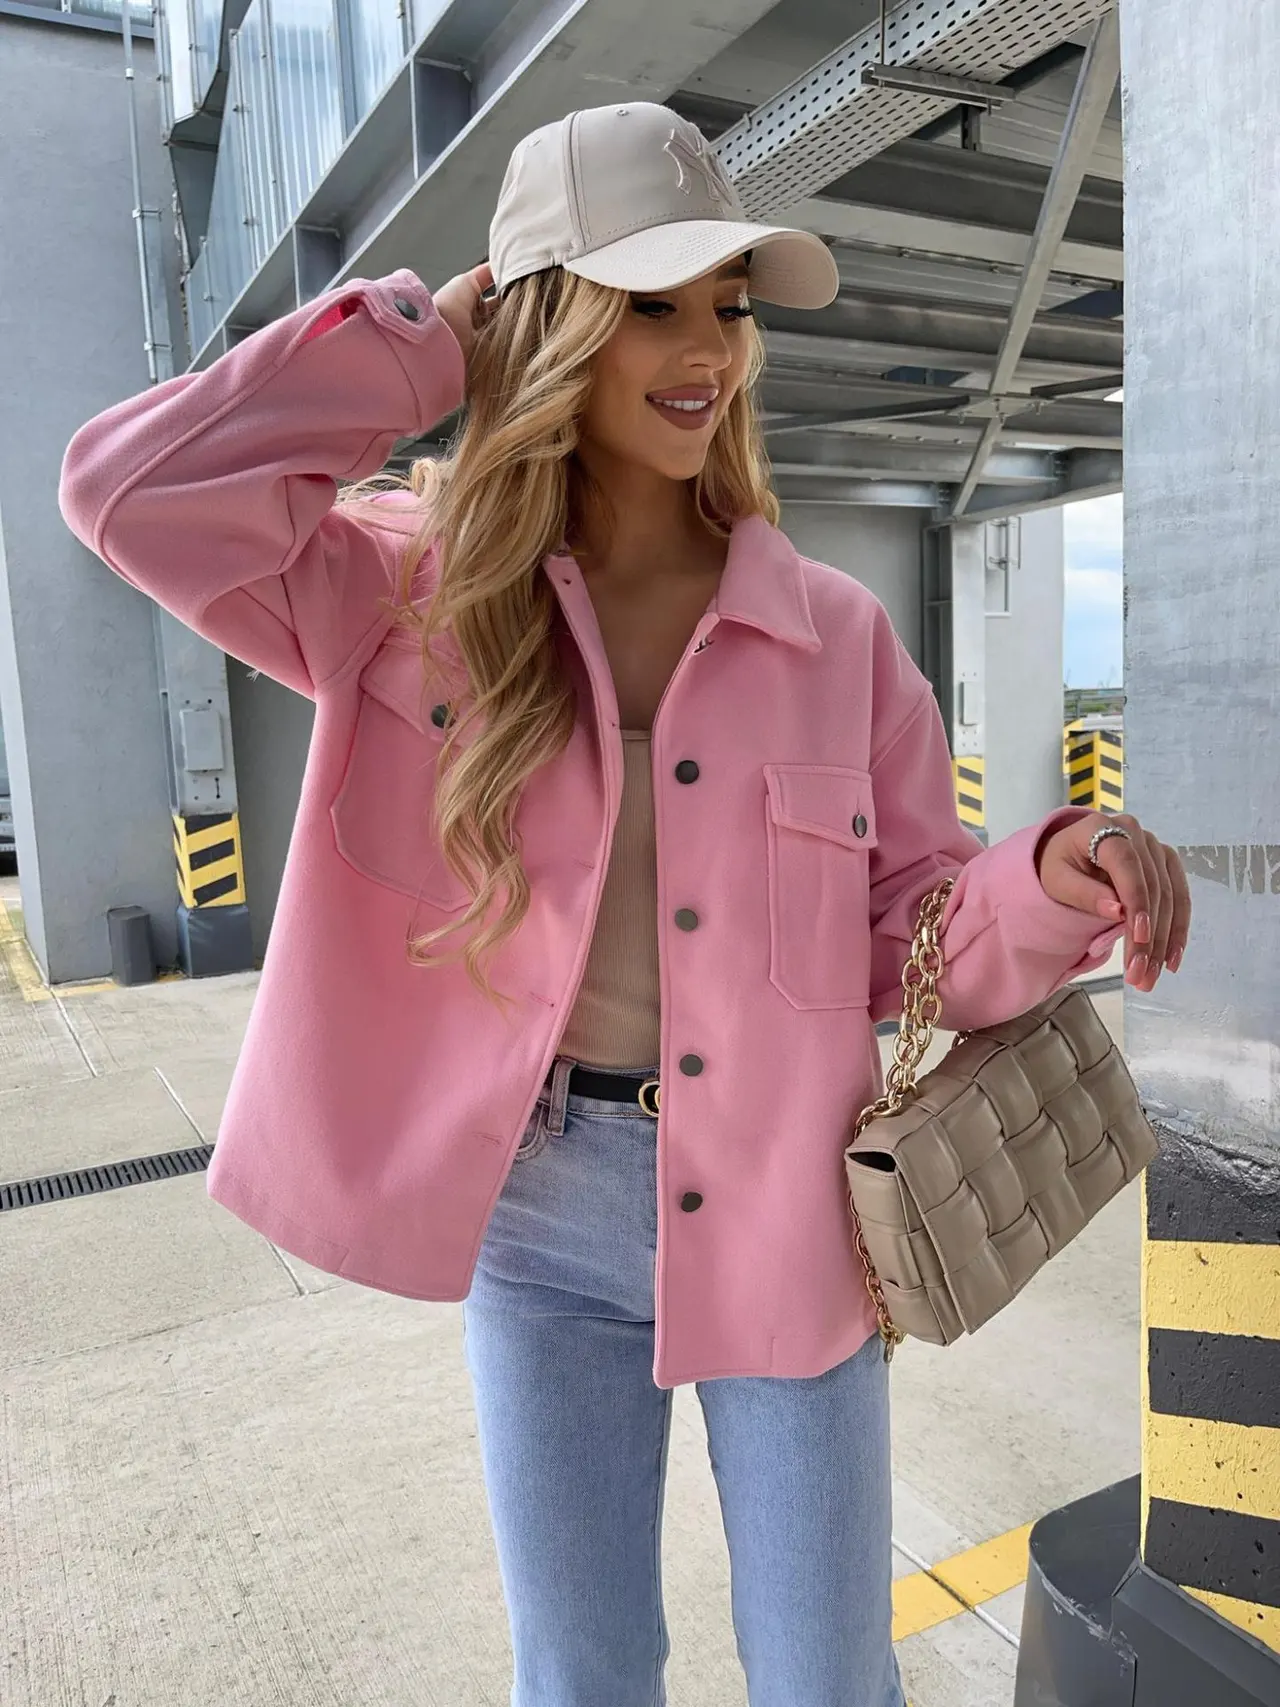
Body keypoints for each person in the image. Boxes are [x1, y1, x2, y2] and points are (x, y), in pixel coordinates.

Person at [59, 101, 1190, 1707]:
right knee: (582, 1672)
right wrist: (421, 346)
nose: (707, 348)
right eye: (650, 302)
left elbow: (914, 927)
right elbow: (127, 493)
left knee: (826, 1676)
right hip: (539, 1216)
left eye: (725, 303)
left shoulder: (836, 636)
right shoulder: (408, 595)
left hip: (789, 1205)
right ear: (547, 317)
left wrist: (1045, 879)